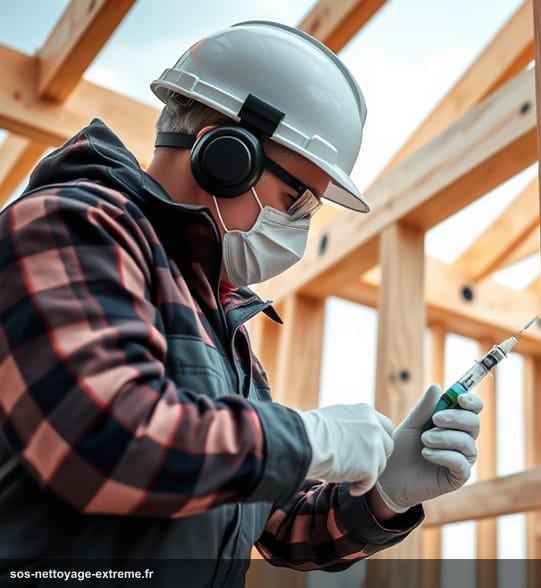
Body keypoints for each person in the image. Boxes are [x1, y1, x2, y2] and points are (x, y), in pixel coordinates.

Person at [0, 21, 482, 586]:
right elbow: (103, 440)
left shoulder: (217, 314)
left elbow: (267, 520)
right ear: (224, 154)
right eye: (295, 200)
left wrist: (384, 497)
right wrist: (309, 439)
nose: (299, 229)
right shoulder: (73, 225)